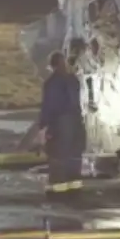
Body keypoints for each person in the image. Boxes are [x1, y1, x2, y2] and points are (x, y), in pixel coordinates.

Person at [37, 51, 86, 197]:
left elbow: (49, 105)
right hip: (76, 121)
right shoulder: (74, 80)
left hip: (60, 121)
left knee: (57, 154)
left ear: (52, 66)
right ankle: (75, 186)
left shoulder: (51, 83)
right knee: (74, 153)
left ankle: (58, 188)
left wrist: (44, 125)